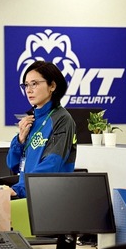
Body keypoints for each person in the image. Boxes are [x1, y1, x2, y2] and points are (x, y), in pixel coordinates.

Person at [6, 60, 76, 198]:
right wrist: (20, 140)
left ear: (52, 86)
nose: (28, 90)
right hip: (27, 194)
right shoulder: (30, 120)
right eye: (26, 85)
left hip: (50, 198)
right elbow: (13, 164)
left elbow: (52, 164)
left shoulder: (62, 119)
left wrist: (20, 189)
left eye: (34, 84)